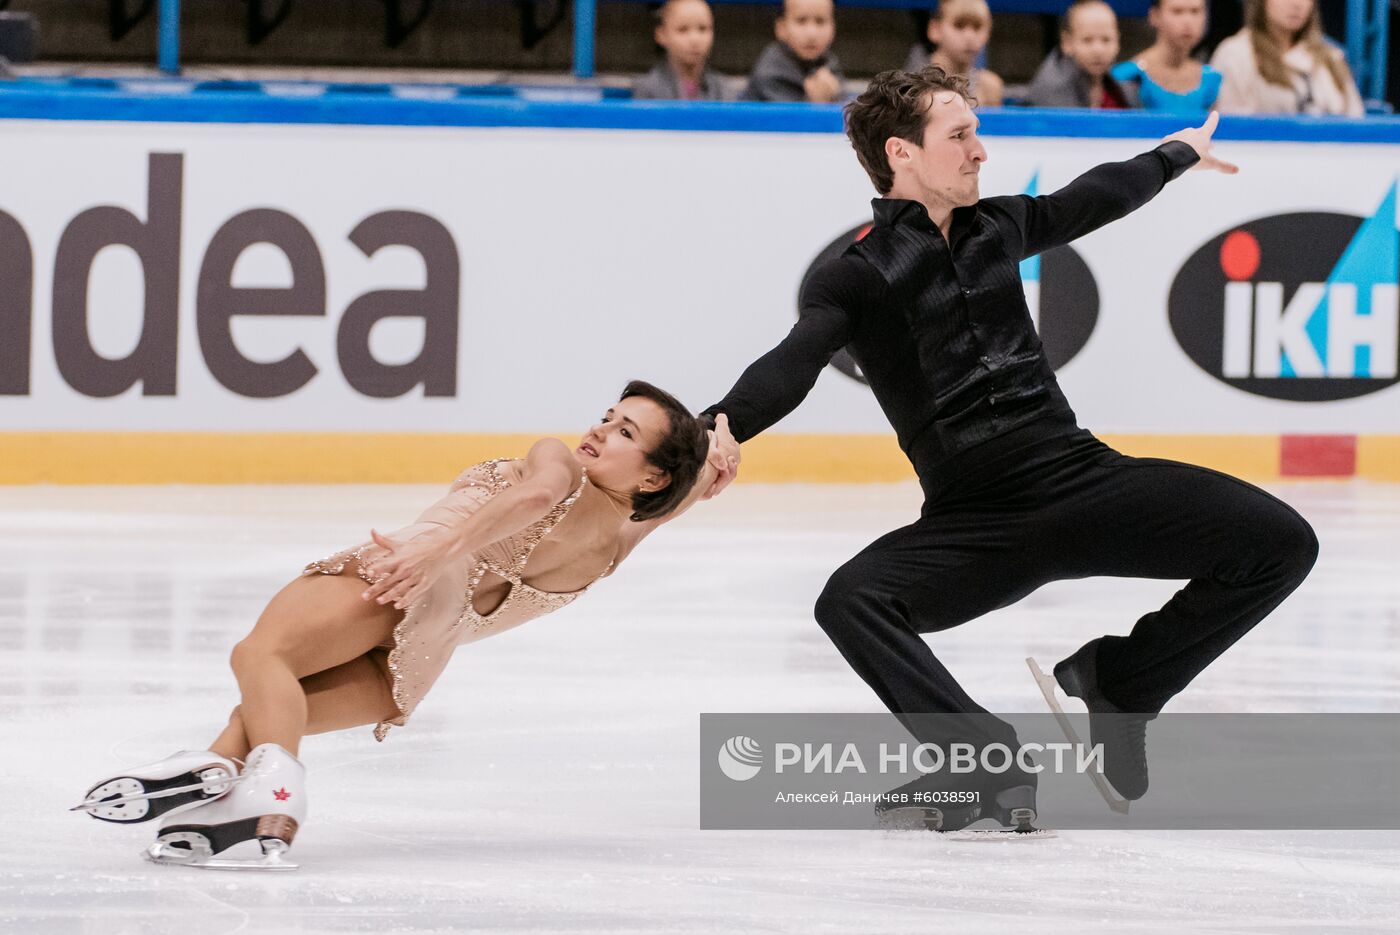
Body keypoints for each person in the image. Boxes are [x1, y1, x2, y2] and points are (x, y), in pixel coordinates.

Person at [701, 66, 1317, 831]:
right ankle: (976, 754)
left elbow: (1093, 198)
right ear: (902, 152)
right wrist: (719, 424)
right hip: (976, 525)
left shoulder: (1000, 226)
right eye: (959, 136)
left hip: (1083, 480)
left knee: (1283, 543)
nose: (979, 152)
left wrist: (1175, 153)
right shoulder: (855, 277)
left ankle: (1122, 680)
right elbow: (793, 361)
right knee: (851, 600)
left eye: (976, 133)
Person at [73, 381, 736, 869]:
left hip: (404, 578)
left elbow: (536, 494)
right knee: (278, 706)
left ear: (652, 473)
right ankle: (222, 770)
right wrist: (714, 458)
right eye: (607, 417)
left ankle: (275, 792)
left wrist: (435, 552)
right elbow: (675, 495)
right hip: (420, 657)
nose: (599, 430)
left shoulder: (556, 461)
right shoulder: (616, 544)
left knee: (260, 656)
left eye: (625, 432)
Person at [1209, 0, 1363, 116]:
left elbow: (1356, 119)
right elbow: (1234, 126)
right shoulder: (1236, 53)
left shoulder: (1332, 56)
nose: (1296, 4)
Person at [1110, 0, 1221, 114]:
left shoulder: (1212, 78)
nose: (1188, 21)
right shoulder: (1125, 76)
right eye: (1177, 11)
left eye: (1195, 11)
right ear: (1155, 16)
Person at [1024, 0, 1139, 109]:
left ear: (1118, 41)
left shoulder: (1126, 92)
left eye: (1106, 39)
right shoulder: (1051, 89)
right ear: (1067, 43)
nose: (1098, 50)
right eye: (1087, 40)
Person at [904, 0, 1004, 108]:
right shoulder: (913, 83)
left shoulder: (990, 87)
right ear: (934, 29)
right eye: (959, 26)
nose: (969, 36)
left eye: (977, 27)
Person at [741, 0, 845, 103]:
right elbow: (784, 118)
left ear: (833, 28)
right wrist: (817, 103)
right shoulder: (769, 72)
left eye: (820, 21)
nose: (812, 33)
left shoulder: (830, 63)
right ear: (781, 28)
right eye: (801, 21)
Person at [633, 0, 728, 101]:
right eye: (683, 30)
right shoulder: (648, 89)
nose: (694, 39)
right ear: (661, 34)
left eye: (703, 29)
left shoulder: (723, 88)